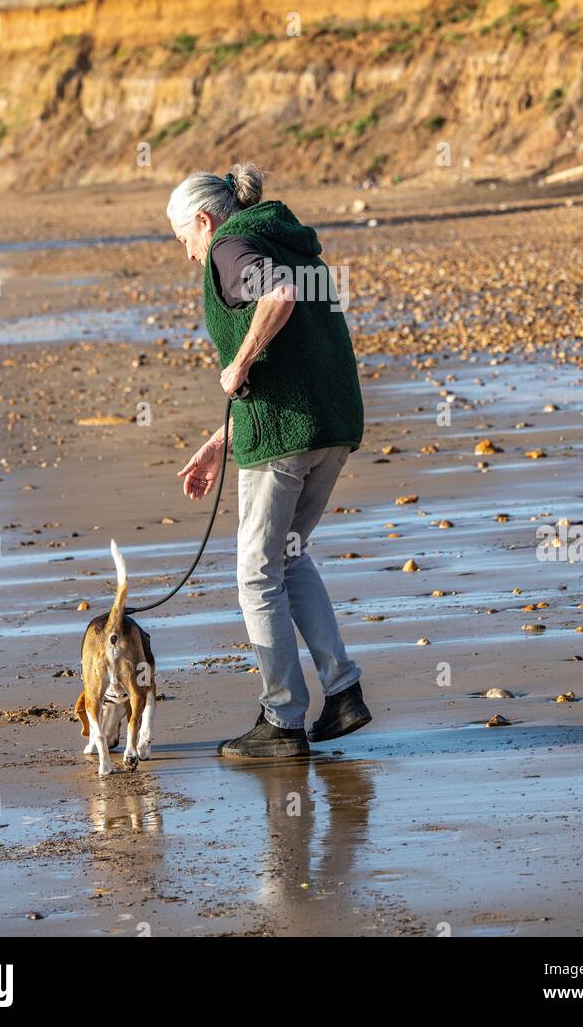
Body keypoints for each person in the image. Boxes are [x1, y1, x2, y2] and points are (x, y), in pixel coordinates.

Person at [167, 160, 372, 758]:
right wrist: (219, 441)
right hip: (332, 423)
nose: (187, 255)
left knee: (257, 575)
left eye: (184, 239)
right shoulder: (291, 239)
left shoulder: (230, 247)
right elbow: (298, 360)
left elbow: (275, 298)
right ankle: (342, 693)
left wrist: (240, 361)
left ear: (205, 221)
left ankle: (282, 722)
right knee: (289, 555)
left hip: (286, 437)